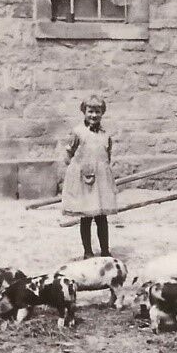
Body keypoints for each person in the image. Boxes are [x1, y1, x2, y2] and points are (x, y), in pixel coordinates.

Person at [58, 96, 117, 258]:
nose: (94, 115)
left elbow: (107, 155)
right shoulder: (78, 132)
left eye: (97, 112)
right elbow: (68, 154)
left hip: (101, 180)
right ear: (84, 112)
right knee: (86, 216)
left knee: (101, 216)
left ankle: (105, 250)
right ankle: (88, 251)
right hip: (84, 179)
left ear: (102, 113)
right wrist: (78, 171)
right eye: (90, 111)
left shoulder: (105, 135)